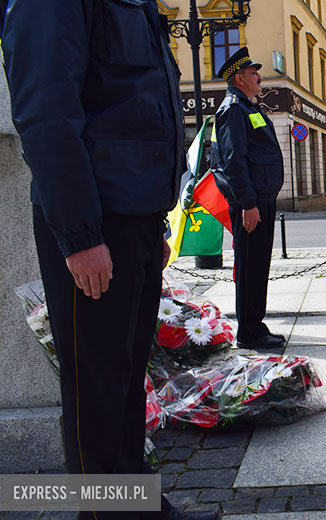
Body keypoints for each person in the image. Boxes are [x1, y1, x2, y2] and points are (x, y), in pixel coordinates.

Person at [2, 2, 214, 519]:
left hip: (134, 219)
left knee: (123, 379)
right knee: (95, 388)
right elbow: (47, 115)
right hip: (95, 223)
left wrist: (155, 224)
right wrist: (79, 237)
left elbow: (137, 109)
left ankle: (139, 506)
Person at [211, 47, 285, 351]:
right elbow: (233, 161)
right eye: (254, 73)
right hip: (251, 202)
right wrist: (247, 203)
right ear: (239, 78)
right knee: (250, 267)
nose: (259, 77)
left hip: (261, 199)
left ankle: (255, 324)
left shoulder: (249, 107)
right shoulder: (233, 110)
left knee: (258, 266)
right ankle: (249, 331)